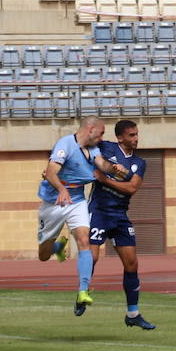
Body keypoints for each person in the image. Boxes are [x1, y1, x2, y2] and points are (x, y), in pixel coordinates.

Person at [38, 116, 128, 316]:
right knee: (43, 255)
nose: (103, 137)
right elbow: (51, 172)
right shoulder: (65, 144)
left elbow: (102, 165)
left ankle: (83, 291)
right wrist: (61, 189)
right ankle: (57, 246)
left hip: (77, 199)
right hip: (54, 202)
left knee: (83, 240)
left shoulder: (93, 149)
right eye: (102, 132)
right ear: (90, 129)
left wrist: (115, 169)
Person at [87, 119, 157, 330]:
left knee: (132, 264)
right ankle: (82, 292)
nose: (136, 139)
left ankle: (133, 313)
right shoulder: (105, 147)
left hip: (119, 215)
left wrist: (105, 179)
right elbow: (84, 146)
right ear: (120, 137)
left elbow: (132, 188)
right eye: (131, 135)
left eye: (136, 135)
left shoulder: (139, 163)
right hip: (98, 211)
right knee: (92, 257)